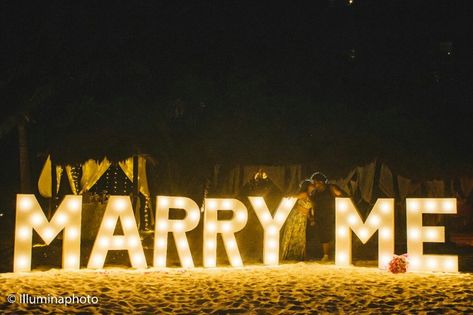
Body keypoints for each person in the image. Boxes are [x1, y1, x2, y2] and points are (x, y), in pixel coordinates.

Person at [309, 172, 343, 262]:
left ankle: (331, 254)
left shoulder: (330, 188)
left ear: (321, 182)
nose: (313, 184)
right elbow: (313, 205)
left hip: (331, 214)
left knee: (332, 234)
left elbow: (340, 195)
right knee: (323, 236)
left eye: (315, 182)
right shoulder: (315, 192)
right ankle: (326, 254)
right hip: (320, 216)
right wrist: (312, 216)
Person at [281, 180, 315, 261]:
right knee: (295, 235)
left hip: (302, 218)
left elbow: (307, 210)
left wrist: (310, 218)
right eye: (311, 185)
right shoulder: (304, 194)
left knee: (299, 236)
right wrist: (289, 196)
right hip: (297, 217)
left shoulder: (310, 195)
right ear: (307, 186)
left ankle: (296, 255)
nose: (313, 186)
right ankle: (291, 255)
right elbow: (294, 197)